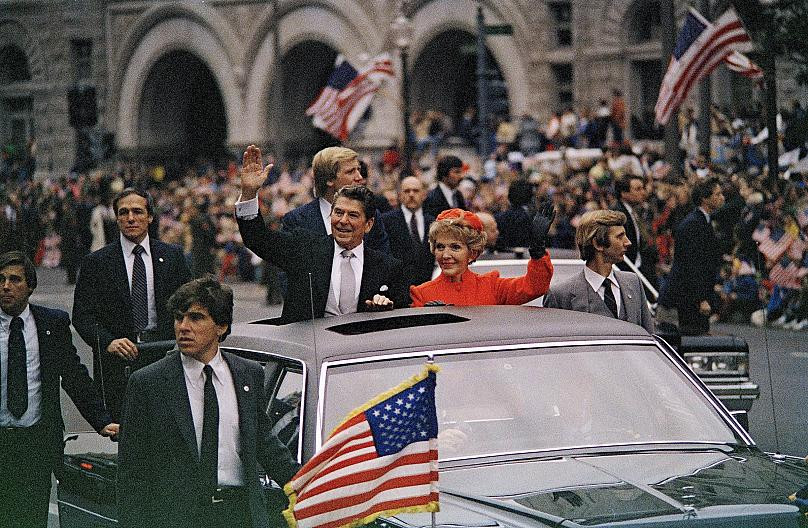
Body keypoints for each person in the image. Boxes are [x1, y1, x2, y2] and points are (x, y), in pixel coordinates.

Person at [117, 276, 299, 528]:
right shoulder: (149, 382)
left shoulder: (248, 374)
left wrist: (310, 484)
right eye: (179, 318)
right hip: (180, 518)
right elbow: (132, 473)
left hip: (240, 514)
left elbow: (265, 444)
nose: (183, 327)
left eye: (196, 318)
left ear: (221, 326)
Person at [0, 251, 117, 528]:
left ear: (30, 286)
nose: (6, 286)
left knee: (30, 517)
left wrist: (102, 421)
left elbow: (74, 376)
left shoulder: (51, 323)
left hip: (35, 442)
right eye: (1, 279)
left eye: (14, 280)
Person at [236, 145, 408, 323]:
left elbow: (400, 316)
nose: (343, 221)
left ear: (369, 224)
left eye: (353, 215)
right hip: (310, 345)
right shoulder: (305, 248)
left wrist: (385, 306)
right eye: (338, 213)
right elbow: (258, 239)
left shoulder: (388, 267)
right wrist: (249, 193)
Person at [73, 188, 191, 420]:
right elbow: (82, 316)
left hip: (165, 354)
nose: (130, 218)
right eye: (123, 212)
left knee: (168, 429)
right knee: (127, 435)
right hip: (119, 362)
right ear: (116, 218)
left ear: (150, 217)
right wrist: (108, 342)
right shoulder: (96, 263)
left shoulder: (172, 257)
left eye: (137, 212)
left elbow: (189, 305)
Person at [410, 205, 554, 306]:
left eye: (455, 247)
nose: (446, 255)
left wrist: (537, 249)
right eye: (440, 247)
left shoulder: (491, 287)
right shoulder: (421, 295)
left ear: (472, 253)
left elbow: (534, 286)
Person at [543, 210, 654, 333]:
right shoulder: (560, 295)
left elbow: (649, 336)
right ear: (597, 244)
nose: (628, 242)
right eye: (619, 236)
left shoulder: (633, 282)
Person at [281, 146, 390, 253]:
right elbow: (285, 267)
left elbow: (384, 264)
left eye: (359, 170)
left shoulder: (372, 216)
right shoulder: (296, 221)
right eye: (351, 172)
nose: (359, 177)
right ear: (329, 179)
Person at [658, 177, 725, 335]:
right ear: (704, 199)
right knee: (694, 337)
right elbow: (692, 265)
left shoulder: (703, 221)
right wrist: (701, 298)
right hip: (689, 296)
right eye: (717, 194)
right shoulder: (693, 224)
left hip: (697, 293)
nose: (722, 198)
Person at [381, 176, 436, 287]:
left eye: (415, 191)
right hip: (397, 289)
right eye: (407, 191)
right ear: (400, 195)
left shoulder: (433, 222)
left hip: (427, 288)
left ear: (424, 195)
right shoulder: (385, 221)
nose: (411, 194)